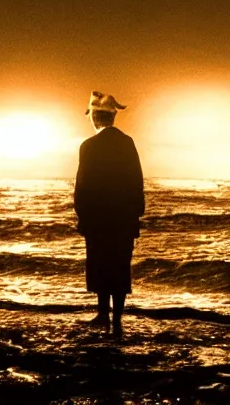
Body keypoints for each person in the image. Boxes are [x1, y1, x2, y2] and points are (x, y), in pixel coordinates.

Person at [73, 91, 145, 337]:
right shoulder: (127, 143)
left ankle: (103, 314)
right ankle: (116, 320)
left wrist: (82, 215)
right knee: (120, 266)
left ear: (95, 117)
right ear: (113, 118)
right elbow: (137, 180)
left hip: (98, 218)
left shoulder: (89, 146)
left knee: (100, 264)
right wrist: (137, 212)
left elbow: (82, 185)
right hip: (124, 218)